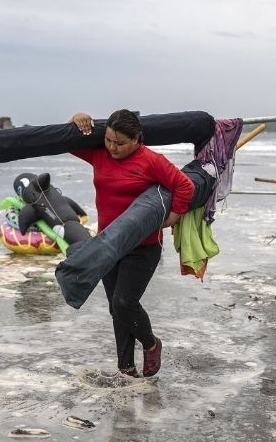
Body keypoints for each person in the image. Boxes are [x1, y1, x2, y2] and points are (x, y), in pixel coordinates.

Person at [70, 109, 195, 377]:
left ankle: (151, 344)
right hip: (108, 245)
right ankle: (126, 368)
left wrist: (173, 216)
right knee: (116, 309)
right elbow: (69, 143)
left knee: (124, 302)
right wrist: (76, 120)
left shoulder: (151, 161)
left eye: (120, 143)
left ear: (137, 139)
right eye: (108, 140)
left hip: (143, 247)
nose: (112, 148)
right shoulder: (100, 154)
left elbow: (185, 186)